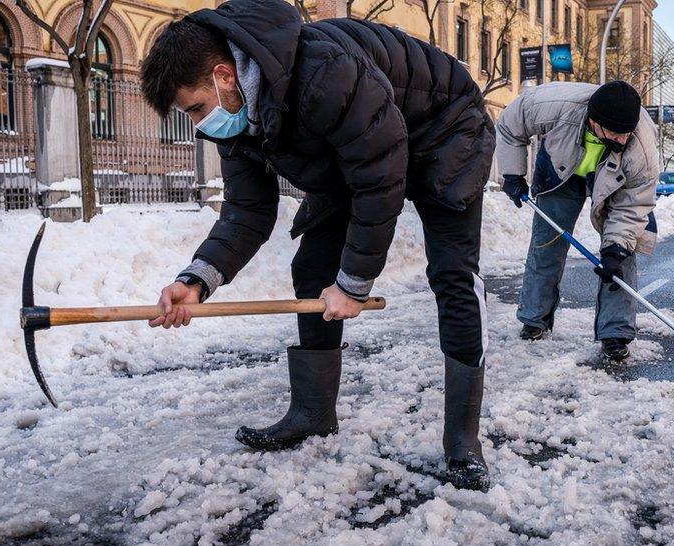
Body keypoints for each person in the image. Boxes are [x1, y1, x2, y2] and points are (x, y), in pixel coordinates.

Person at [139, 0, 495, 491]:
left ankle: (463, 441)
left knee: (453, 274)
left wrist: (353, 284)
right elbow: (247, 212)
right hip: (360, 146)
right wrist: (197, 279)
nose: (200, 123)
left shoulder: (324, 73)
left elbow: (380, 176)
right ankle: (312, 411)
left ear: (224, 76)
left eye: (196, 108)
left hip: (445, 125)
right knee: (312, 269)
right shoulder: (239, 113)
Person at [495, 80, 660, 361]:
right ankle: (534, 319)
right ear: (594, 121)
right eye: (614, 133)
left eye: (626, 134)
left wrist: (615, 247)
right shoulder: (551, 105)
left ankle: (615, 331)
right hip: (561, 169)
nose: (622, 139)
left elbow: (634, 205)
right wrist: (512, 174)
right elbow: (510, 125)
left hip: (615, 182)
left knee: (622, 255)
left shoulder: (641, 147)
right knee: (547, 243)